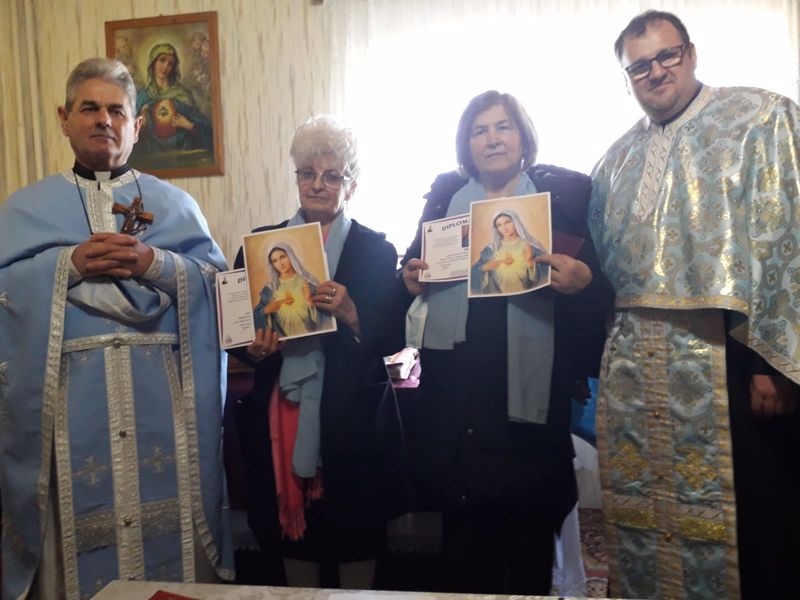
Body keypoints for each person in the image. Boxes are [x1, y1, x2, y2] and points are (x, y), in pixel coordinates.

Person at [0, 58, 233, 599]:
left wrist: (156, 263)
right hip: (67, 405)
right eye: (89, 108)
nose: (103, 120)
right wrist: (66, 264)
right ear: (64, 118)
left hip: (162, 403)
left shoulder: (175, 205)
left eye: (116, 111)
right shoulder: (24, 210)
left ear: (137, 126)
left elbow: (220, 291)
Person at [589, 10, 800, 599]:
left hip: (733, 358)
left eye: (667, 55)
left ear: (691, 53)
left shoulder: (761, 119)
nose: (655, 72)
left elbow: (788, 242)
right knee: (652, 517)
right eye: (639, 66)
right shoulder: (614, 160)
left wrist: (772, 364)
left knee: (759, 521)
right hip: (641, 375)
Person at [398, 90, 613, 595]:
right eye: (480, 130)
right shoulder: (444, 203)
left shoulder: (562, 204)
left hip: (528, 413)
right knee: (464, 557)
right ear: (466, 144)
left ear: (522, 138)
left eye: (503, 127)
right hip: (458, 406)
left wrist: (584, 283)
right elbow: (409, 272)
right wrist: (409, 277)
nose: (492, 139)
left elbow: (601, 296)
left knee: (527, 553)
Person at [231, 116, 407, 589]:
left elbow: (392, 339)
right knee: (296, 542)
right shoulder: (259, 248)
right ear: (296, 178)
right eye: (307, 173)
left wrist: (351, 312)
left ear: (351, 186)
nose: (317, 185)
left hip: (354, 423)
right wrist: (255, 350)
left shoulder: (376, 250)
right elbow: (239, 337)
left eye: (332, 176)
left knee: (356, 538)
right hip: (281, 414)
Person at [133, 43, 212, 160]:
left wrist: (188, 125)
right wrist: (143, 121)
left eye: (170, 63)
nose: (166, 66)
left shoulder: (182, 94)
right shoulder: (143, 97)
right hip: (151, 157)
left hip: (184, 154)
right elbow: (128, 134)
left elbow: (207, 129)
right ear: (153, 63)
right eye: (162, 60)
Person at [253, 242, 333, 338]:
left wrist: (309, 301)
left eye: (283, 257)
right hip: (283, 343)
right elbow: (256, 315)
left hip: (312, 338)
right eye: (275, 261)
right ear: (272, 264)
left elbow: (326, 317)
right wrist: (269, 308)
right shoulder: (270, 288)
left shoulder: (308, 282)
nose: (280, 263)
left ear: (290, 255)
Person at [471, 208, 545, 294]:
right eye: (499, 225)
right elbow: (473, 272)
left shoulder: (530, 246)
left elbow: (545, 273)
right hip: (498, 296)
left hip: (528, 296)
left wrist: (530, 262)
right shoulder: (491, 249)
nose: (504, 228)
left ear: (516, 222)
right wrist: (486, 267)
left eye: (507, 222)